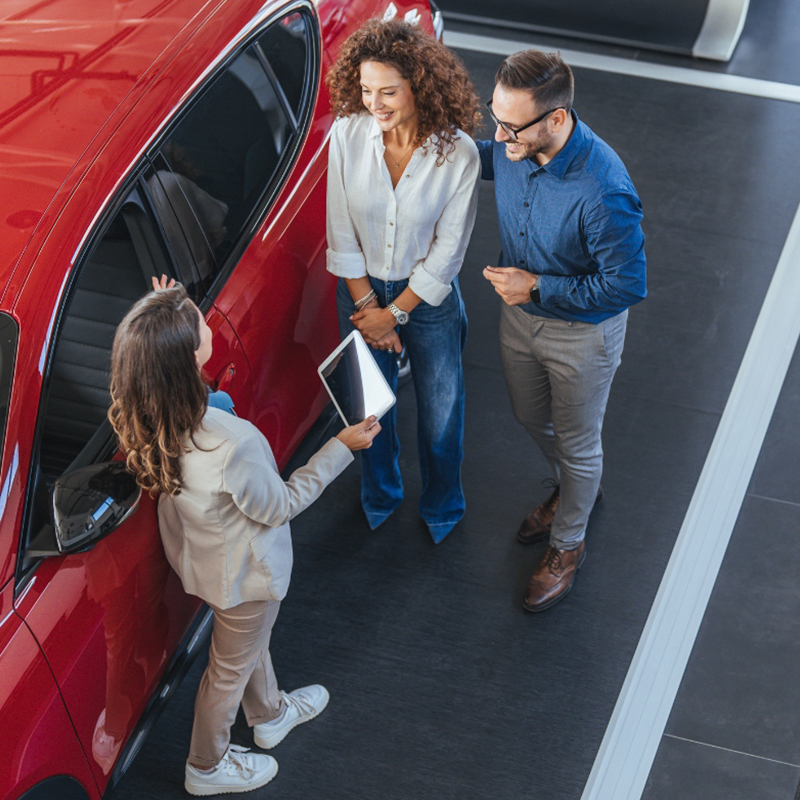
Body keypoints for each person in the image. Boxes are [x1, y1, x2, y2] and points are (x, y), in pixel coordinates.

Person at [108, 284, 380, 795]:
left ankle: (270, 714)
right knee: (225, 672)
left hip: (206, 559)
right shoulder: (233, 444)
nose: (210, 322)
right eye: (199, 324)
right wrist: (340, 447)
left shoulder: (149, 409)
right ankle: (205, 767)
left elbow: (163, 356)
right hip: (246, 576)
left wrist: (166, 309)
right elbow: (281, 505)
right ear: (189, 355)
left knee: (244, 646)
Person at [478, 50, 647, 612]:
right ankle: (577, 488)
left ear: (556, 119)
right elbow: (487, 156)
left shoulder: (605, 188)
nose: (499, 135)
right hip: (520, 318)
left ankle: (567, 543)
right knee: (531, 416)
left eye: (511, 124)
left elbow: (626, 286)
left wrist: (536, 289)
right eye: (493, 116)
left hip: (583, 335)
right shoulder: (512, 143)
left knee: (578, 444)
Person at [325, 19, 481, 543]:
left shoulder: (459, 153)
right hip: (360, 295)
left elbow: (448, 254)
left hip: (428, 302)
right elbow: (340, 232)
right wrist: (371, 308)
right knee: (370, 413)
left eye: (388, 91)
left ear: (421, 84)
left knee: (441, 419)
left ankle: (442, 504)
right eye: (366, 90)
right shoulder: (346, 135)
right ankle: (380, 496)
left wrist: (393, 315)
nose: (375, 102)